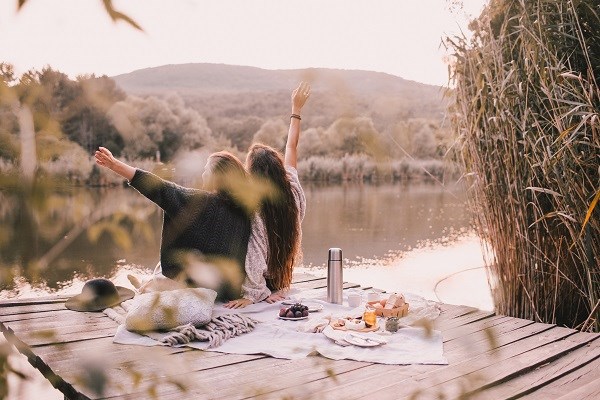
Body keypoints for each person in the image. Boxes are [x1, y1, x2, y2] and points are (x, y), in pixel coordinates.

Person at [94, 148, 253, 302]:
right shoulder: (246, 210)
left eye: (206, 170)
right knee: (165, 265)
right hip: (229, 291)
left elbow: (159, 188)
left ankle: (144, 286)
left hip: (199, 288)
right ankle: (148, 283)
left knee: (167, 271)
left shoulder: (199, 202)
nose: (203, 174)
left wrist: (114, 165)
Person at [225, 82, 310, 308]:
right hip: (282, 280)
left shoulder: (256, 209)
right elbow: (292, 146)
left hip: (264, 284)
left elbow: (255, 255)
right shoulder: (293, 189)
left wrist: (255, 294)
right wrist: (296, 110)